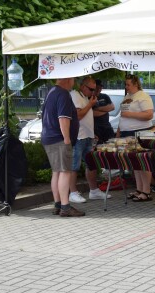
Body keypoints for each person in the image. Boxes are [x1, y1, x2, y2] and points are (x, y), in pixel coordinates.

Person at [40, 78, 84, 217]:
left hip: (49, 137)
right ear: (67, 79)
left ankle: (58, 204)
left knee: (56, 171)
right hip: (59, 138)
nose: (74, 81)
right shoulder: (63, 94)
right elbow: (63, 118)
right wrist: (66, 139)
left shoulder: (51, 92)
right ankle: (65, 207)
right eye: (73, 78)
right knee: (65, 171)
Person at [68, 77, 111, 204]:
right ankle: (73, 192)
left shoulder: (86, 98)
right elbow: (78, 116)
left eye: (95, 89)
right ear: (82, 86)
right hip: (78, 136)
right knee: (74, 166)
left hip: (88, 136)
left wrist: (92, 134)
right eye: (91, 89)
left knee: (91, 164)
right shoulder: (75, 95)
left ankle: (94, 190)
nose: (93, 92)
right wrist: (90, 105)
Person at [117, 74, 154, 202]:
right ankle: (139, 189)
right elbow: (123, 116)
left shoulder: (143, 96)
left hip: (139, 132)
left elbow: (149, 115)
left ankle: (146, 191)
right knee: (135, 163)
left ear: (136, 84)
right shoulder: (128, 97)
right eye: (125, 84)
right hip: (127, 132)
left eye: (128, 84)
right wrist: (119, 130)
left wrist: (130, 114)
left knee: (142, 162)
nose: (126, 87)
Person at [92, 79, 115, 144]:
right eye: (97, 87)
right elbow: (92, 113)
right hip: (96, 129)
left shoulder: (105, 96)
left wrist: (97, 108)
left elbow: (112, 107)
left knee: (111, 146)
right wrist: (106, 110)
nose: (99, 89)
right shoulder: (90, 97)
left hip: (107, 127)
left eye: (100, 87)